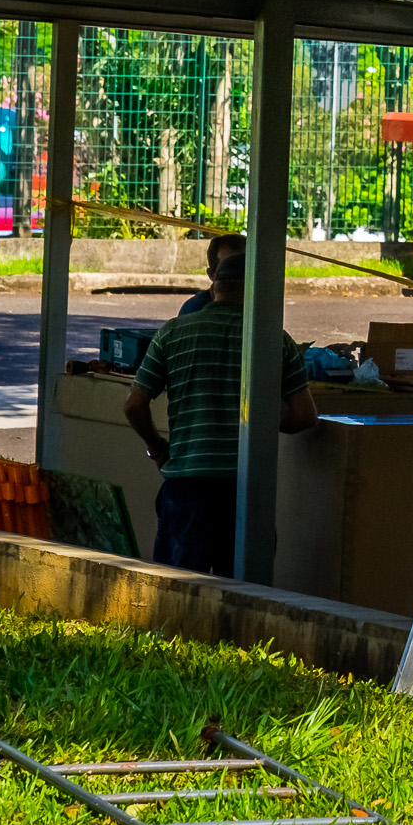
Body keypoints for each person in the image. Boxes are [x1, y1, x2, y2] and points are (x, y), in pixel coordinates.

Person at [123, 240, 318, 575]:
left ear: (214, 288)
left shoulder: (171, 334)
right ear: (254, 290)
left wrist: (158, 449)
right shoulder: (275, 340)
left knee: (179, 590)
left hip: (186, 486)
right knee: (246, 593)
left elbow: (134, 405)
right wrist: (256, 420)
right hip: (246, 485)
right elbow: (304, 415)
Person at [171, 232, 244, 317]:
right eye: (229, 267)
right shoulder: (194, 309)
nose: (241, 272)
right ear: (211, 274)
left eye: (246, 266)